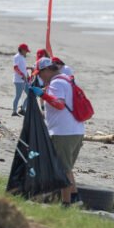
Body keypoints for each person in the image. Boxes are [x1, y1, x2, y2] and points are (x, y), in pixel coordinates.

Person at [31, 57, 85, 206]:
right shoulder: (66, 79)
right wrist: (44, 91)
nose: (39, 77)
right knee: (67, 167)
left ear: (47, 70)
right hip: (76, 130)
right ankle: (75, 198)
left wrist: (42, 95)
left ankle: (66, 204)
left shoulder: (56, 83)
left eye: (40, 74)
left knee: (63, 169)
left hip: (63, 132)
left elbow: (60, 104)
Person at [11, 43, 30, 115]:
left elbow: (23, 68)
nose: (26, 52)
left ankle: (22, 109)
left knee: (30, 95)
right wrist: (22, 75)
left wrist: (27, 75)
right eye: (26, 51)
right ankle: (14, 111)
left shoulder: (22, 57)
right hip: (18, 80)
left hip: (24, 80)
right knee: (18, 96)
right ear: (21, 50)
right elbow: (15, 68)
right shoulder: (17, 57)